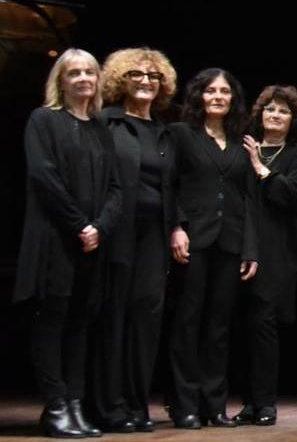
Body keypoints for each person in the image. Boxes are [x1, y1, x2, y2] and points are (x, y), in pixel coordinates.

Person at [16, 49, 122, 439]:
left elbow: (115, 188)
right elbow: (44, 177)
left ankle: (75, 405)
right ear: (60, 80)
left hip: (92, 243)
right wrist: (80, 225)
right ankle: (56, 405)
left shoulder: (99, 127)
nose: (82, 79)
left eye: (89, 72)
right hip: (55, 239)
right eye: (73, 72)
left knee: (80, 324)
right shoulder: (43, 121)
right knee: (53, 321)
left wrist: (100, 227)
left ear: (97, 80)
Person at [88, 48, 178, 433]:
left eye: (153, 76)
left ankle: (137, 405)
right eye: (136, 74)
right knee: (114, 319)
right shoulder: (104, 123)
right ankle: (109, 406)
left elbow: (174, 188)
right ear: (120, 80)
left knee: (146, 320)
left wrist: (178, 226)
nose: (146, 81)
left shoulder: (163, 131)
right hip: (115, 234)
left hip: (154, 237)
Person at [167, 68, 260, 429]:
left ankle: (213, 405)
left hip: (230, 243)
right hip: (193, 240)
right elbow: (169, 185)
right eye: (211, 91)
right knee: (187, 323)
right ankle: (185, 404)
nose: (218, 96)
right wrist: (176, 226)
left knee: (219, 328)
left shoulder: (242, 142)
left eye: (225, 91)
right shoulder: (181, 134)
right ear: (199, 96)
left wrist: (250, 248)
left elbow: (249, 198)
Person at [234, 85, 297, 426]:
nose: (275, 115)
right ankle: (246, 403)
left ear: (292, 119)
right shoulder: (242, 148)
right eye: (269, 109)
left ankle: (264, 403)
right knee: (239, 326)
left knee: (264, 326)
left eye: (282, 111)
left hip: (277, 251)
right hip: (238, 246)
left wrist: (259, 165)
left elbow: (290, 195)